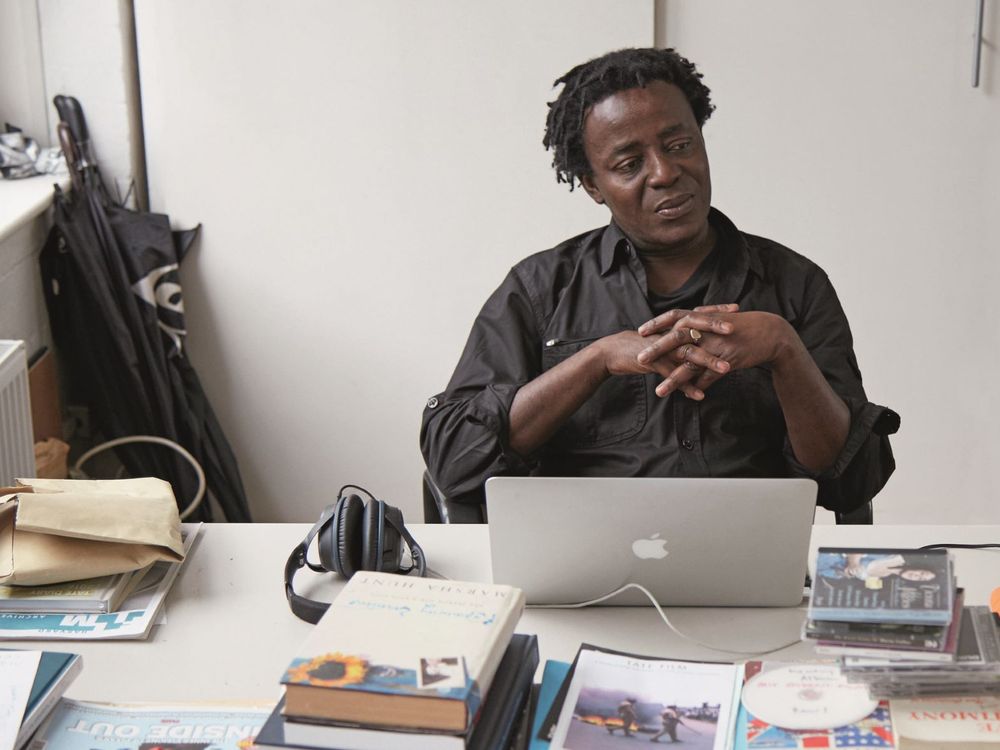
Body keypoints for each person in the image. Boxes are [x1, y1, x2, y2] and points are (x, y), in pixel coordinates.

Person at [420, 47, 898, 515]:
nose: (666, 173)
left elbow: (851, 482)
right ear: (592, 186)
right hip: (581, 574)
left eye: (679, 146)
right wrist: (596, 359)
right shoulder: (540, 290)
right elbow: (455, 463)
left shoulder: (795, 284)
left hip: (749, 572)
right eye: (630, 165)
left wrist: (784, 350)